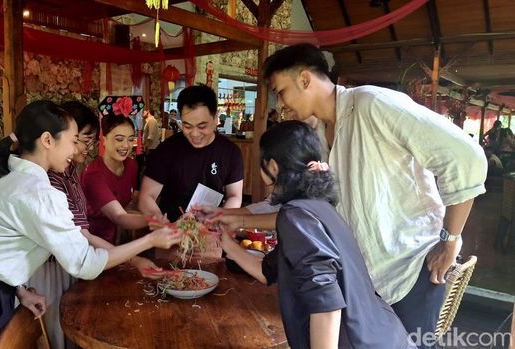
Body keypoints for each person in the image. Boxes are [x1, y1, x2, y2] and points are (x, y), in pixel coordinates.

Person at [215, 43, 487, 349]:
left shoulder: (372, 104)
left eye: (281, 92)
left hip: (411, 271)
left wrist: (450, 239)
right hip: (369, 282)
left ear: (304, 79)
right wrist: (235, 217)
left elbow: (467, 158)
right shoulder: (320, 134)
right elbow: (310, 215)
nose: (281, 104)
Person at [0, 100, 181, 349]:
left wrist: (18, 290)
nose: (75, 149)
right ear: (47, 140)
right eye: (72, 141)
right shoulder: (40, 193)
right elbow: (84, 263)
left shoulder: (2, 173)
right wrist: (148, 241)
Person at [220, 121, 413, 349]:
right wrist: (227, 243)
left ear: (272, 166)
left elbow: (326, 304)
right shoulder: (316, 207)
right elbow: (267, 272)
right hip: (384, 332)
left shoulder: (296, 216)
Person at [28, 101, 162, 349]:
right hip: (53, 266)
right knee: (57, 331)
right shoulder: (52, 181)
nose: (87, 149)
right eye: (82, 140)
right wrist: (139, 252)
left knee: (70, 329)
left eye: (90, 141)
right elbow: (85, 236)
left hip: (78, 260)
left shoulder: (68, 172)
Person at [138, 84, 244, 222]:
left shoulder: (230, 152)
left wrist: (218, 219)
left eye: (202, 126)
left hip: (211, 232)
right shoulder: (167, 150)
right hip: (170, 232)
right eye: (187, 126)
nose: (194, 134)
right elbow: (146, 196)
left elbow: (234, 196)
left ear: (215, 117)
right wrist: (161, 221)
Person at [81, 111, 153, 243]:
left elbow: (132, 197)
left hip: (121, 240)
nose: (126, 145)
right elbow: (119, 216)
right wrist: (154, 219)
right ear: (104, 139)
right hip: (95, 243)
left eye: (131, 139)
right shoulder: (93, 174)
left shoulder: (131, 166)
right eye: (119, 139)